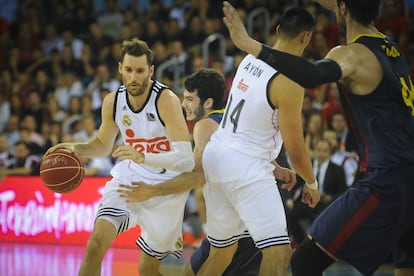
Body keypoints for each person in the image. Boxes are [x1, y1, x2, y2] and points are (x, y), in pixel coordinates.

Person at [222, 1, 414, 275]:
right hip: (407, 173)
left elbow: (312, 75)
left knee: (303, 261)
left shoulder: (352, 55)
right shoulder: (390, 46)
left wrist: (251, 45)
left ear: (343, 9)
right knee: (406, 266)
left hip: (387, 180)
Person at [118, 67, 296, 276]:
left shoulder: (204, 126)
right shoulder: (233, 118)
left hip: (241, 209)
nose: (183, 104)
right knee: (201, 266)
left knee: (221, 259)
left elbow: (197, 177)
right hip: (246, 203)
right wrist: (276, 167)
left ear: (208, 102)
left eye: (190, 99)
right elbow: (251, 145)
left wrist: (152, 189)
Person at [45, 38, 195, 276]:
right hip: (129, 179)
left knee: (147, 271)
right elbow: (103, 146)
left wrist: (143, 156)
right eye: (129, 70)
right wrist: (75, 148)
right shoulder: (113, 101)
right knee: (95, 244)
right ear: (120, 68)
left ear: (151, 70)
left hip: (166, 188)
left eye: (140, 71)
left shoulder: (166, 100)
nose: (134, 77)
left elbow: (186, 158)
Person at [287, 138, 347, 244]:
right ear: (314, 151)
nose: (321, 153)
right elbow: (296, 184)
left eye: (325, 150)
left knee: (321, 220)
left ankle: (318, 247)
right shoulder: (306, 166)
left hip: (325, 204)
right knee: (289, 214)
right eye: (319, 150)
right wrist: (290, 199)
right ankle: (302, 244)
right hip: (306, 202)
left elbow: (344, 192)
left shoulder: (337, 169)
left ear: (330, 153)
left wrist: (331, 198)